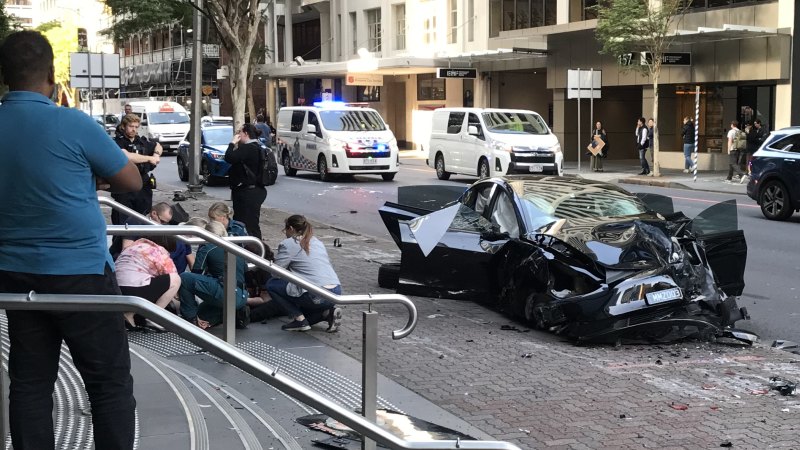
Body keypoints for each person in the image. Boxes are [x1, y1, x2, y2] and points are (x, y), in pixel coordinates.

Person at [0, 30, 142, 449]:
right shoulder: (72, 122)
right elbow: (130, 181)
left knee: (29, 383)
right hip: (82, 276)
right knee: (108, 383)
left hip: (15, 276)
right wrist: (82, 172)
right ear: (51, 73)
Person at [267, 215, 342, 332]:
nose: (285, 233)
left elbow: (276, 273)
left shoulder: (288, 244)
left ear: (290, 228)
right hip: (335, 292)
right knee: (301, 293)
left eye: (285, 230)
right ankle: (326, 312)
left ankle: (299, 320)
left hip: (315, 295)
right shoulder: (317, 242)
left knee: (272, 285)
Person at [178, 221, 249, 329]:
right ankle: (230, 315)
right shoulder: (236, 247)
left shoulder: (207, 247)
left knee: (184, 278)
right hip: (242, 294)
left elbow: (196, 273)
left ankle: (191, 319)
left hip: (224, 292)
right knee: (201, 313)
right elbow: (245, 270)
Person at [115, 235, 181, 329]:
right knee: (175, 279)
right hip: (134, 288)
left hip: (116, 288)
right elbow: (172, 274)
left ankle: (129, 316)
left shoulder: (132, 247)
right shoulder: (158, 251)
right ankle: (153, 318)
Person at [111, 113, 163, 225]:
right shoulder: (117, 142)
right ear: (123, 126)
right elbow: (127, 156)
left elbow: (158, 145)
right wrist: (150, 158)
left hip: (142, 186)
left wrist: (156, 155)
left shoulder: (141, 142)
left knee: (143, 219)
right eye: (131, 126)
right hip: (124, 185)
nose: (133, 129)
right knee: (122, 221)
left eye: (136, 127)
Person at [224, 123, 267, 240]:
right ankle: (256, 249)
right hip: (256, 190)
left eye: (240, 133)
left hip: (246, 193)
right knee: (252, 222)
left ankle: (251, 250)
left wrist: (232, 143)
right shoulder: (259, 147)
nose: (238, 135)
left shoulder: (248, 148)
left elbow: (229, 157)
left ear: (246, 134)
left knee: (245, 224)